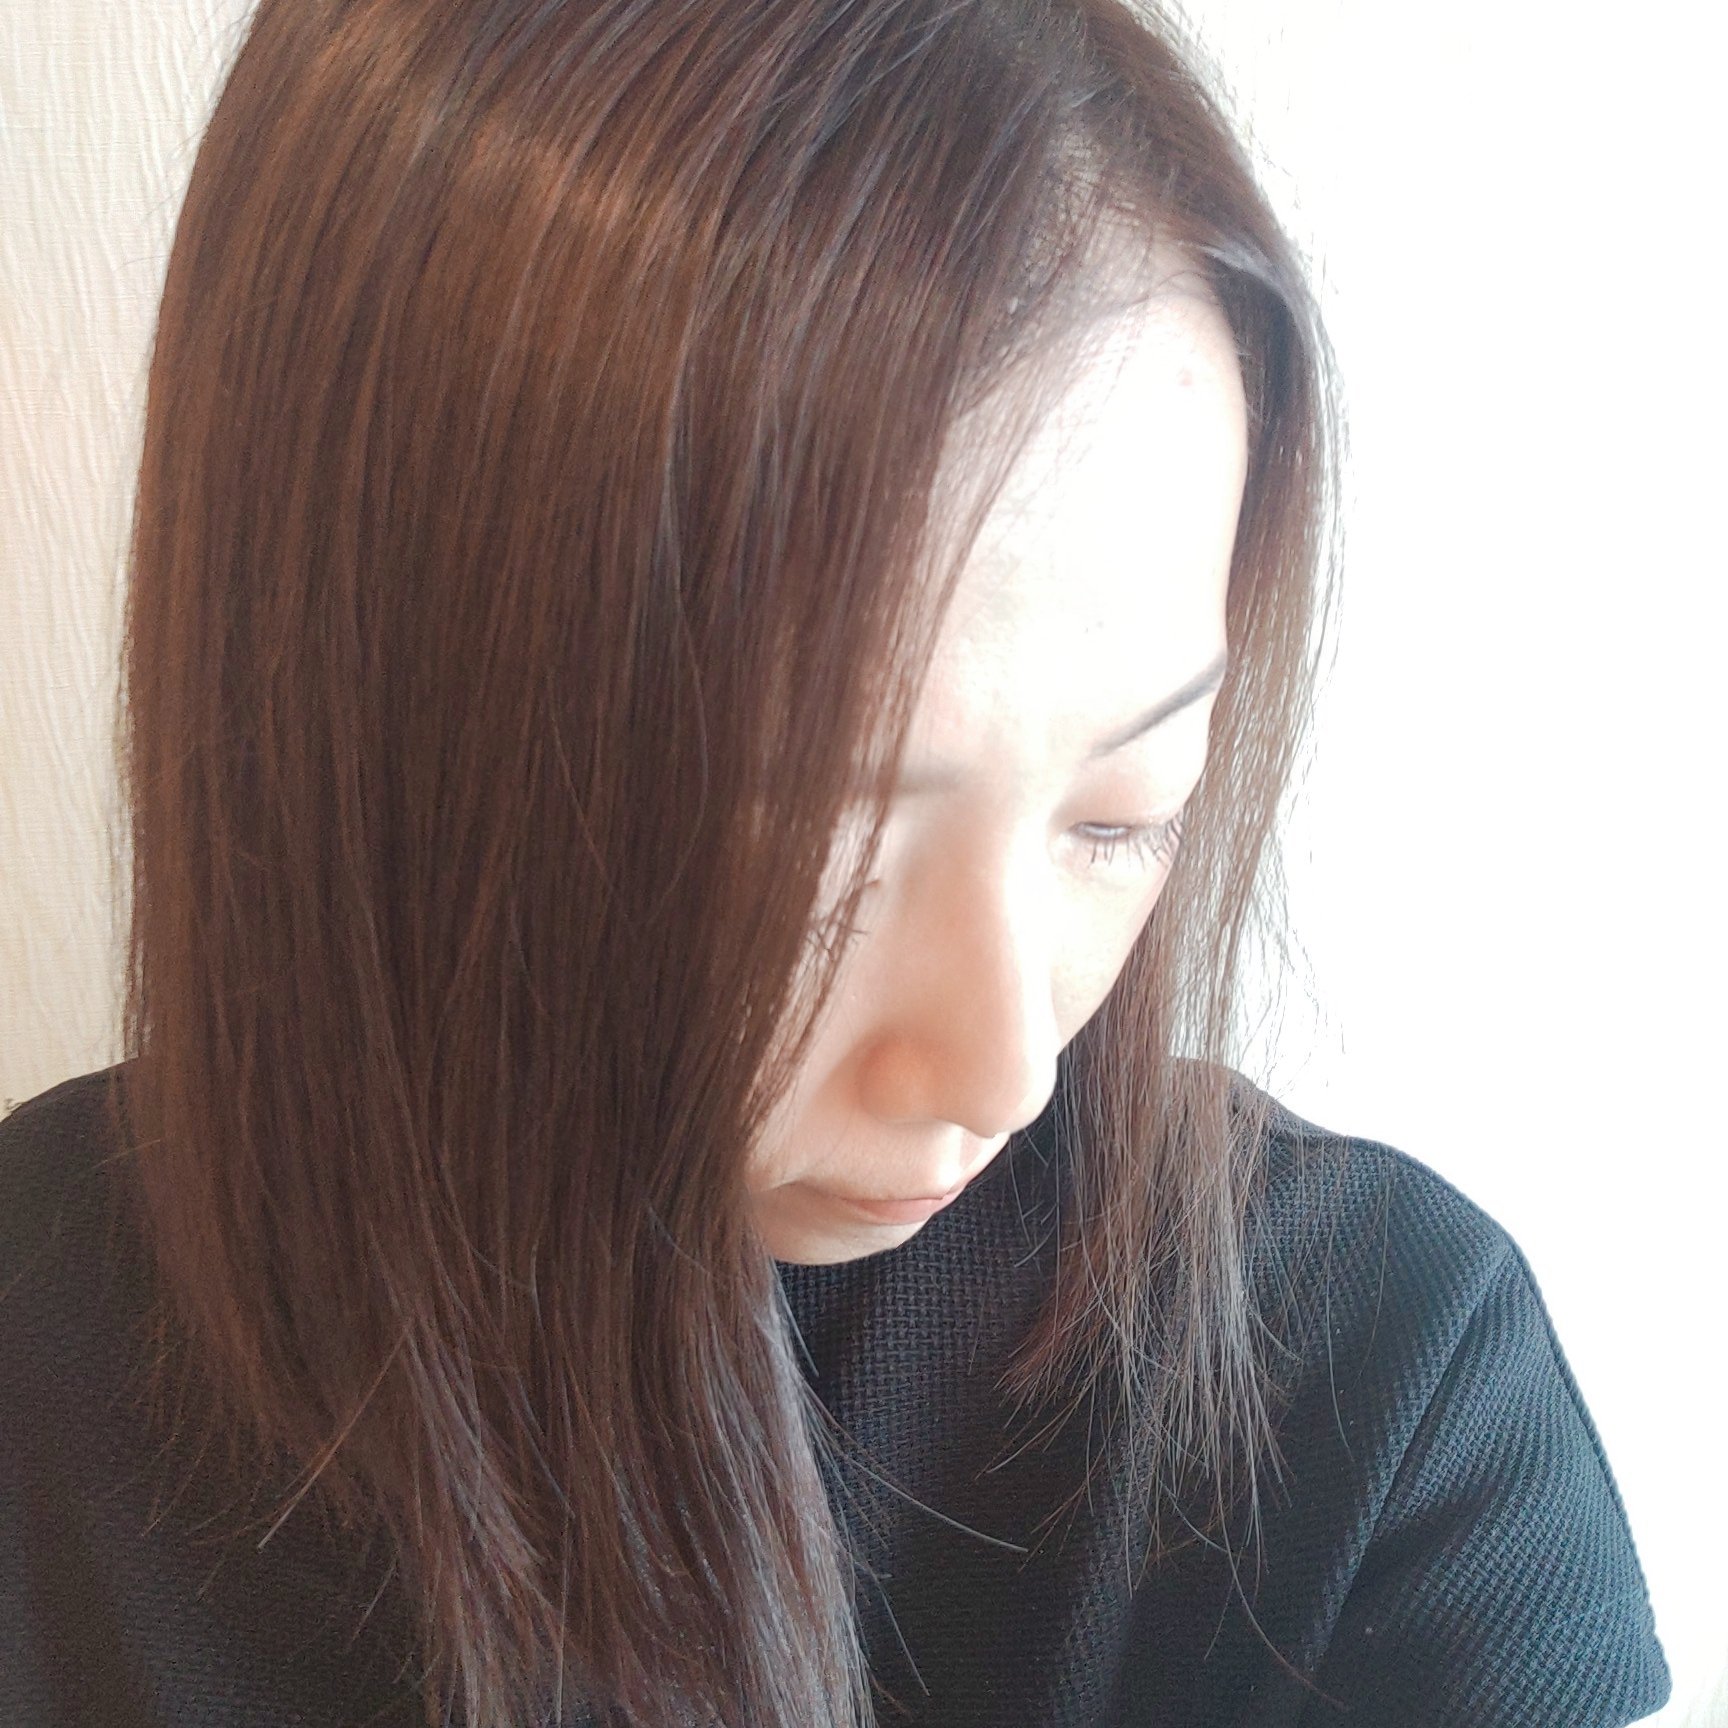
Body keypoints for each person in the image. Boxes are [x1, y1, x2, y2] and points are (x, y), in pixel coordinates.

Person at [0, 1, 1670, 1725]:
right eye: (816, 853)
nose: (1003, 1070)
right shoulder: (39, 1387)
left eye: (1121, 813)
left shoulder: (1376, 1387)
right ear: (367, 702)